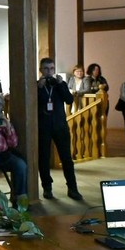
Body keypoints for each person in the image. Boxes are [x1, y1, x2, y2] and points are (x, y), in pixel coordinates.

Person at [37, 58, 83, 201]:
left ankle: (72, 188)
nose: (49, 71)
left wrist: (61, 85)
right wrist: (38, 88)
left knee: (66, 158)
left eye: (51, 68)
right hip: (43, 127)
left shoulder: (60, 84)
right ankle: (47, 188)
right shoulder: (37, 86)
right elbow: (32, 103)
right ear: (41, 70)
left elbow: (69, 100)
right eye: (46, 69)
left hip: (60, 126)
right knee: (43, 158)